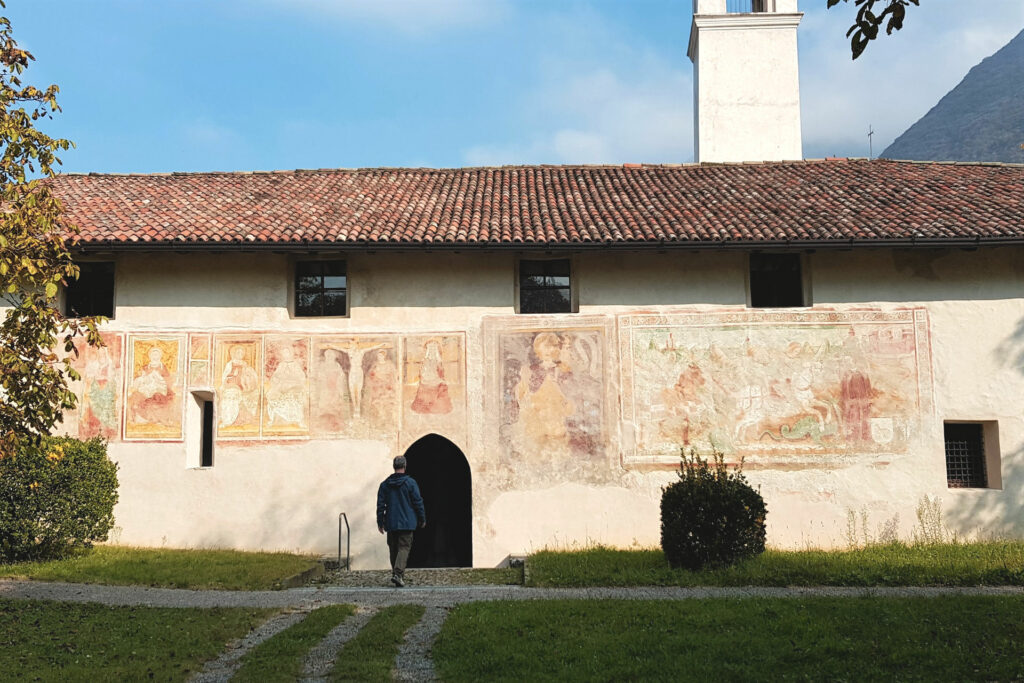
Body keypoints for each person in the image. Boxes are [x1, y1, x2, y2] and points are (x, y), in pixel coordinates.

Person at [376, 455, 425, 587]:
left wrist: (380, 522)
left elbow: (381, 505)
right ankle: (398, 574)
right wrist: (422, 518)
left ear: (394, 466)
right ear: (404, 466)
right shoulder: (410, 483)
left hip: (391, 522)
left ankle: (397, 575)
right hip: (407, 521)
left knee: (394, 549)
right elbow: (417, 502)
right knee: (404, 548)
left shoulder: (385, 484)